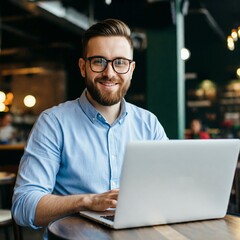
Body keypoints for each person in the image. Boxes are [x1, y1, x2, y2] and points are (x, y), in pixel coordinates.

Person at [12, 19, 168, 238]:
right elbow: (23, 206)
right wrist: (87, 201)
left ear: (131, 69)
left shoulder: (149, 124)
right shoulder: (53, 123)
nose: (110, 73)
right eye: (99, 61)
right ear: (83, 67)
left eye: (120, 62)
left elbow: (169, 190)